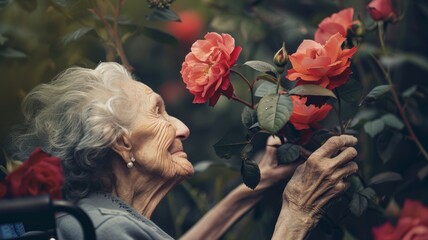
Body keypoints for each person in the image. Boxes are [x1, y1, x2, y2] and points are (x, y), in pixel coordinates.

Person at [10, 62, 358, 239]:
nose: (183, 128)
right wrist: (297, 212)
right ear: (120, 142)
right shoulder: (107, 229)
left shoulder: (95, 217)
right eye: (159, 112)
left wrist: (253, 188)